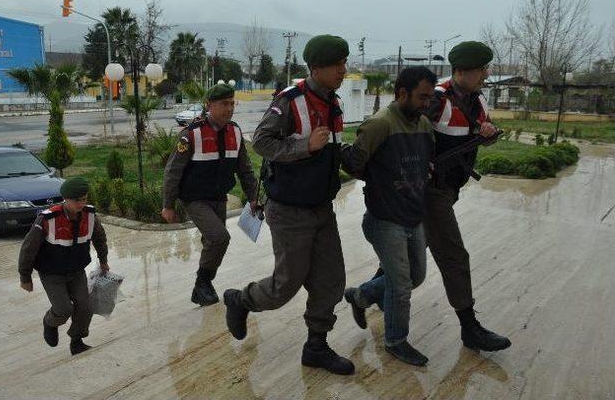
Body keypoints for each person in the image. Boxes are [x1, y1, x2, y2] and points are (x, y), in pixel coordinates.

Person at [223, 35, 355, 375]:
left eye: (344, 62)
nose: (344, 69)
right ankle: (242, 299)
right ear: (316, 68)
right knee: (286, 286)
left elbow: (334, 151)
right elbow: (261, 142)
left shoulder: (334, 103)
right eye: (337, 64)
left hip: (321, 208)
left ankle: (316, 346)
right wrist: (305, 146)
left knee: (331, 281)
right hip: (290, 209)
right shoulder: (290, 100)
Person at [341, 67, 437, 366]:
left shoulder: (424, 125)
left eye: (430, 98)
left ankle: (360, 295)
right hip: (385, 219)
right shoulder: (379, 124)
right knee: (401, 285)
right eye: (422, 97)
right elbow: (354, 162)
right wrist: (380, 182)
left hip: (414, 215)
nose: (426, 103)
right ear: (402, 93)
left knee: (415, 277)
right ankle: (396, 340)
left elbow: (425, 162)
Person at [423, 41, 511, 351]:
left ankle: (367, 293)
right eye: (481, 70)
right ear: (460, 72)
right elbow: (405, 131)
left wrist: (487, 132)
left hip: (450, 188)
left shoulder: (476, 99)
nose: (486, 75)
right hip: (430, 192)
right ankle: (469, 327)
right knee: (454, 256)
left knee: (409, 253)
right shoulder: (435, 100)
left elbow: (476, 135)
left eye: (486, 69)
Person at [162, 83, 257, 306]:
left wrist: (253, 197)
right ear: (209, 105)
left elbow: (245, 169)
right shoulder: (192, 134)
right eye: (224, 104)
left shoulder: (235, 131)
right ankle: (202, 283)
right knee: (220, 237)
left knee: (212, 242)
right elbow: (173, 170)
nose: (229, 108)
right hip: (194, 198)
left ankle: (203, 286)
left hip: (218, 197)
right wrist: (168, 204)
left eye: (232, 103)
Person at [18, 176, 109, 355]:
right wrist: (25, 277)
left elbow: (99, 238)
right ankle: (49, 322)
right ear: (66, 199)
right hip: (51, 273)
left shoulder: (90, 216)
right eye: (77, 200)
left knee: (85, 306)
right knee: (63, 309)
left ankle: (77, 340)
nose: (82, 203)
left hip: (76, 271)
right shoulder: (48, 219)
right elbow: (28, 249)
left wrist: (103, 260)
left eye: (84, 199)